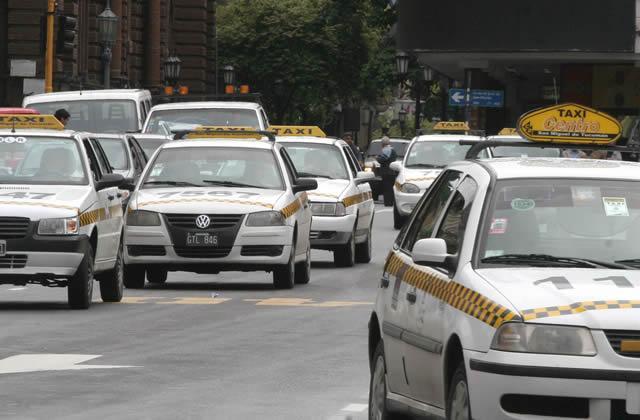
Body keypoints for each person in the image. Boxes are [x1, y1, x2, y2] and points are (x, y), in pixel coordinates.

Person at [376, 136, 398, 207]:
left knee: (386, 188)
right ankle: (391, 202)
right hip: (392, 172)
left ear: (382, 143)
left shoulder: (386, 150)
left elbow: (383, 159)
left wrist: (377, 158)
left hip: (386, 172)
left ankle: (388, 202)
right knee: (391, 188)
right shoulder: (393, 150)